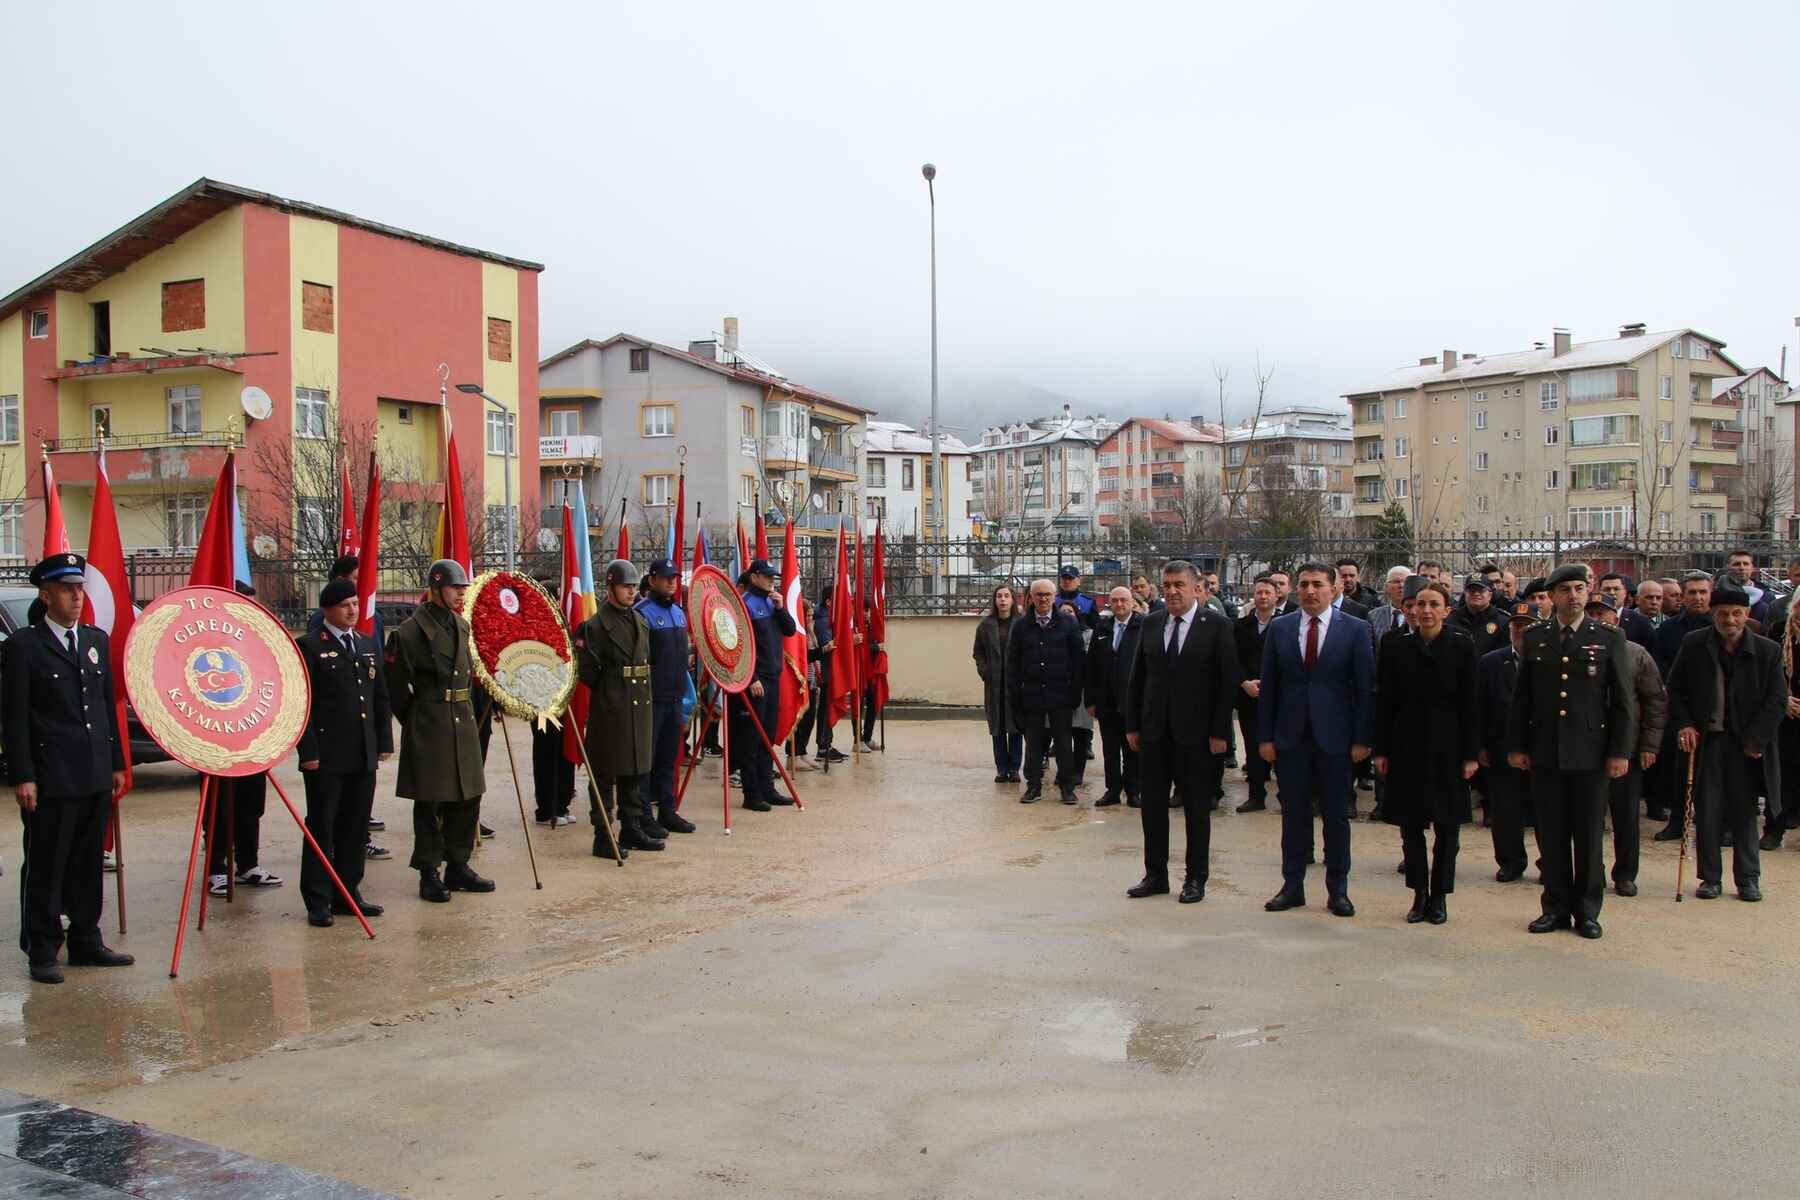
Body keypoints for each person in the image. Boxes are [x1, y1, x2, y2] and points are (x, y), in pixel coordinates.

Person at [4, 553, 131, 985]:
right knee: (46, 863)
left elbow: (104, 708)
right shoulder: (24, 647)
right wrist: (23, 775)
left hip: (94, 771)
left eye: (79, 588)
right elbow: (15, 717)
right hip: (51, 776)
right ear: (46, 595)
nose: (77, 596)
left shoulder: (94, 640)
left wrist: (115, 763)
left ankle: (86, 940)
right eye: (66, 589)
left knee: (87, 862)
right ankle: (42, 947)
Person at [1507, 565, 1634, 940]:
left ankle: (1588, 910)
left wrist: (1619, 751)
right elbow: (1522, 700)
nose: (1574, 595)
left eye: (1580, 588)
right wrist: (1517, 746)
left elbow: (1623, 702)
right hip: (1546, 752)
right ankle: (1555, 907)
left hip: (1591, 753)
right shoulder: (1536, 637)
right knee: (1552, 833)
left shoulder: (1609, 637)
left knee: (1589, 835)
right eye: (1565, 590)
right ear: (1552, 595)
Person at [1259, 562, 1376, 918]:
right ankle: (1292, 886)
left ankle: (1337, 889)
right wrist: (1265, 737)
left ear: (1334, 587)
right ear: (1295, 589)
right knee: (1293, 815)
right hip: (1291, 739)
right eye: (1304, 585)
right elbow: (1270, 687)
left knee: (1336, 817)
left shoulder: (1355, 629)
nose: (1310, 592)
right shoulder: (1280, 629)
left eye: (1318, 585)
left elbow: (1366, 688)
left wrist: (1362, 739)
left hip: (1336, 740)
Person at [1124, 561, 1239, 902]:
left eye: (1179, 585)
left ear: (1195, 588)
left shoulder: (1217, 626)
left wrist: (1221, 733)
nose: (1173, 591)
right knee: (1153, 809)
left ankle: (1195, 878)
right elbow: (1138, 678)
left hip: (1198, 736)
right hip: (1154, 733)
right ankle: (1155, 875)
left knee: (1196, 810)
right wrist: (1133, 725)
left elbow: (1226, 681)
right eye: (1168, 584)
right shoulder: (1152, 623)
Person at [1666, 583, 1786, 902]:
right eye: (1722, 614)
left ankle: (1748, 878)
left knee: (1744, 812)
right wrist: (1686, 724)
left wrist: (1757, 739)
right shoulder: (1694, 644)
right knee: (1707, 810)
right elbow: (1675, 689)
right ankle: (1710, 878)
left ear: (1746, 615)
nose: (1729, 620)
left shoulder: (1767, 650)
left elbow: (1777, 699)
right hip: (1708, 741)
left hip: (1747, 745)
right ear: (1712, 614)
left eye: (1736, 614)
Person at [1374, 580, 1478, 925]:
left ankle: (1440, 895)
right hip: (1407, 747)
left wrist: (1470, 754)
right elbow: (1385, 701)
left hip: (1449, 749)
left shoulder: (1462, 645)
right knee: (1411, 827)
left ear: (1447, 610)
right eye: (1420, 604)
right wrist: (1382, 749)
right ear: (1411, 609)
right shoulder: (1394, 644)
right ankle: (1418, 893)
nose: (1426, 611)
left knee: (1448, 829)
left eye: (1434, 604)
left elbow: (1471, 703)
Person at [390, 559, 493, 902]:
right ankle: (429, 870)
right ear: (435, 588)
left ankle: (458, 865)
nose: (462, 593)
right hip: (430, 721)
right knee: (431, 800)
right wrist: (418, 718)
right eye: (455, 587)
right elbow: (395, 688)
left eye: (464, 587)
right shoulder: (409, 632)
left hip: (461, 718)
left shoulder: (461, 626)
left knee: (467, 794)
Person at [295, 579, 393, 927]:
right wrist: (307, 751)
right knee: (323, 825)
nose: (352, 610)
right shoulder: (309, 646)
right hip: (326, 755)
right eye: (344, 605)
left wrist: (383, 742)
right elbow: (301, 704)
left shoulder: (365, 644)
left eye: (355, 603)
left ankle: (348, 892)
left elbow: (379, 697)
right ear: (327, 610)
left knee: (355, 826)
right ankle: (319, 899)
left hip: (361, 752)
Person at [1584, 593, 1665, 898]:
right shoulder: (1577, 651)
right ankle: (1592, 874)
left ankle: (1626, 873)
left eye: (1603, 614)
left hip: (1625, 749)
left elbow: (1655, 702)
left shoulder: (1636, 654)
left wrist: (1649, 746)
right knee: (1589, 818)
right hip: (1587, 749)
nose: (1597, 620)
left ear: (1615, 619)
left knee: (1626, 817)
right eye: (1591, 614)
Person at [578, 559, 662, 848]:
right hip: (610, 709)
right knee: (604, 773)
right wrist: (612, 694)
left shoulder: (639, 620)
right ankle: (603, 834)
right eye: (625, 586)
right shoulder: (595, 626)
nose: (630, 592)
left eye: (632, 587)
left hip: (638, 706)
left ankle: (632, 826)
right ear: (611, 586)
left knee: (635, 770)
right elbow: (588, 673)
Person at [1007, 579, 1086, 805]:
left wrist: (1075, 693)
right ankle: (1033, 786)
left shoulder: (1068, 623)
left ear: (1054, 597)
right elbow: (1012, 664)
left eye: (1047, 595)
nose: (1043, 599)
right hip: (1031, 695)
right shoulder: (1021, 626)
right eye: (1038, 595)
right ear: (1031, 597)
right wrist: (1016, 695)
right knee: (1033, 744)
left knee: (1063, 743)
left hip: (1061, 695)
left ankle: (1067, 787)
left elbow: (1078, 660)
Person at [1478, 600, 1540, 883]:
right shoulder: (1491, 662)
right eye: (1517, 625)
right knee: (1505, 811)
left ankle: (1549, 862)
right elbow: (1478, 707)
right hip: (1501, 748)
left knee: (1545, 812)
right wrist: (1479, 745)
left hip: (1542, 749)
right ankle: (1510, 861)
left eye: (1528, 627)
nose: (1521, 631)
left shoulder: (1550, 659)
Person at [1650, 573, 1714, 837]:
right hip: (1681, 707)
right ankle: (1678, 821)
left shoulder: (1719, 625)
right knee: (1680, 769)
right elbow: (1661, 664)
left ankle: (1717, 825)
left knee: (1713, 773)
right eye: (1692, 593)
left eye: (1703, 592)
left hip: (1715, 709)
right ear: (1682, 597)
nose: (1697, 597)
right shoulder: (1668, 629)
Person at [635, 559, 695, 836]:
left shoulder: (679, 613)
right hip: (651, 699)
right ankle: (644, 815)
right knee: (647, 759)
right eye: (666, 577)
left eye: (674, 577)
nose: (671, 582)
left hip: (674, 697)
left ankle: (668, 811)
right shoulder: (641, 613)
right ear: (652, 580)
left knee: (669, 758)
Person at [734, 558, 798, 810]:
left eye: (774, 577)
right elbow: (739, 647)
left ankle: (767, 788)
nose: (773, 581)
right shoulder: (746, 604)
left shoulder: (772, 602)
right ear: (754, 577)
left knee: (767, 738)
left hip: (774, 676)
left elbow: (790, 630)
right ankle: (751, 794)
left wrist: (781, 608)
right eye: (768, 576)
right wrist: (751, 679)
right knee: (751, 739)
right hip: (756, 681)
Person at [1085, 586, 1142, 808]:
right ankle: (1112, 790)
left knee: (1132, 748)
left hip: (1132, 701)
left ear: (1131, 602)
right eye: (1115, 601)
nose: (1119, 604)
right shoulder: (1103, 627)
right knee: (1110, 750)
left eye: (1123, 600)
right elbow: (1091, 666)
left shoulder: (1143, 626)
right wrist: (1090, 700)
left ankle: (1134, 790)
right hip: (1106, 701)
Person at [1233, 576, 1280, 813]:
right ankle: (1256, 795)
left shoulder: (1285, 625)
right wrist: (1244, 683)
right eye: (1259, 592)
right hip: (1248, 696)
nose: (1262, 597)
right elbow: (1233, 659)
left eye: (1267, 593)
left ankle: (1286, 795)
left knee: (1281, 747)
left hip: (1279, 698)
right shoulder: (1240, 626)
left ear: (1276, 596)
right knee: (1253, 748)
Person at [974, 585, 1023, 783]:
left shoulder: (1021, 623)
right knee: (997, 727)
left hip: (1015, 684)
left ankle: (1014, 768)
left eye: (1006, 596)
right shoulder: (985, 625)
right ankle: (1001, 768)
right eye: (999, 596)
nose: (1003, 599)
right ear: (994, 600)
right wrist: (985, 671)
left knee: (1016, 727)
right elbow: (978, 653)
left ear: (1012, 600)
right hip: (994, 684)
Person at [1446, 575, 1506, 658]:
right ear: (1465, 593)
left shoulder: (1503, 621)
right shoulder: (1451, 619)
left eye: (1481, 590)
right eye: (1472, 590)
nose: (1476, 593)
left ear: (1490, 595)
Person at [1721, 549, 1772, 625]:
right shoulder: (1718, 593)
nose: (1742, 568)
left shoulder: (1767, 596)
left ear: (1752, 567)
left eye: (1745, 564)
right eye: (1736, 564)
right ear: (1728, 567)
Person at [1055, 565, 1097, 629]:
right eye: (1064, 578)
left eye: (1070, 578)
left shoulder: (1088, 602)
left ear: (1078, 581)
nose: (1067, 581)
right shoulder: (1052, 601)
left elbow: (1095, 628)